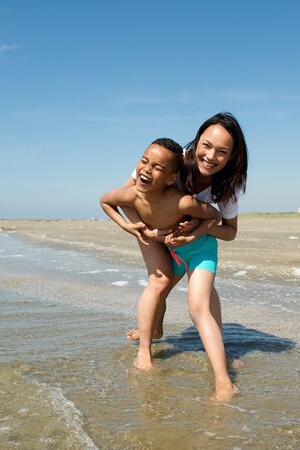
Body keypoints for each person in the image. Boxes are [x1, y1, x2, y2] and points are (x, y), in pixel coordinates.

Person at [100, 138, 238, 401]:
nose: (146, 169)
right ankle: (147, 345)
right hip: (171, 250)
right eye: (144, 162)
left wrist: (192, 233)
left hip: (198, 250)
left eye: (157, 168)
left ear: (171, 178)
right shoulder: (131, 193)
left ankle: (224, 379)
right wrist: (129, 226)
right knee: (158, 286)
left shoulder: (182, 201)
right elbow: (106, 200)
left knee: (199, 305)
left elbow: (216, 217)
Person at [121, 113, 248, 353]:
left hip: (192, 240)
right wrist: (145, 230)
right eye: (206, 146)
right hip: (149, 230)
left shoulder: (227, 186)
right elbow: (126, 198)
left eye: (222, 152)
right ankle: (150, 335)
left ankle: (216, 345)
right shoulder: (169, 161)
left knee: (203, 289)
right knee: (159, 283)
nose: (210, 157)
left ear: (232, 157)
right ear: (197, 140)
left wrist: (201, 228)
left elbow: (230, 232)